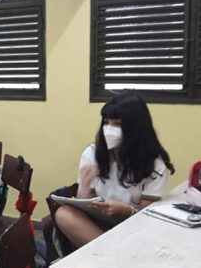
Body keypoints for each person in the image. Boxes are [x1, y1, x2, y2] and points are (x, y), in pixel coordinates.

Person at [54, 91, 174, 249]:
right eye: (106, 123)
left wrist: (126, 210)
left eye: (117, 124)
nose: (109, 130)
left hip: (133, 226)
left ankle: (109, 254)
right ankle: (112, 253)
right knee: (63, 214)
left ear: (135, 128)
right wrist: (84, 188)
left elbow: (147, 216)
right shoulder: (92, 153)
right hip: (97, 224)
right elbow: (85, 203)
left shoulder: (155, 164)